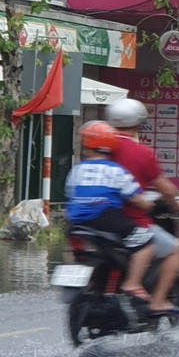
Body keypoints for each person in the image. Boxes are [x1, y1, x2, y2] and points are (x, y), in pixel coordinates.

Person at [104, 99, 179, 316]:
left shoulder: (98, 148)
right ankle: (157, 302)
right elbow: (166, 189)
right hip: (131, 220)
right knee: (175, 249)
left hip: (94, 219)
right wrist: (176, 203)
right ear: (139, 123)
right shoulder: (141, 152)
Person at [65, 121, 159, 307]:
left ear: (87, 146)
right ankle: (132, 283)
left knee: (71, 248)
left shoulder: (77, 169)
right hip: (106, 219)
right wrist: (148, 204)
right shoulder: (116, 171)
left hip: (76, 221)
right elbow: (136, 199)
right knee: (146, 242)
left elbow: (70, 193)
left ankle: (72, 271)